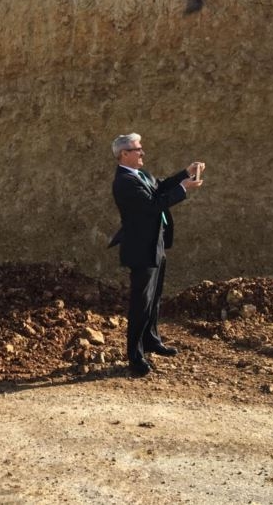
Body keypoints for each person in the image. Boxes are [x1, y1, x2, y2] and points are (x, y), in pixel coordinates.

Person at [109, 133, 204, 377]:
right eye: (137, 149)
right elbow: (152, 205)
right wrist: (184, 188)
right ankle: (135, 356)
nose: (142, 153)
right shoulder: (124, 182)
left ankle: (151, 340)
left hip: (156, 243)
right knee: (141, 303)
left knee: (154, 297)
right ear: (124, 154)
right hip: (141, 248)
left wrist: (185, 173)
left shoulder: (141, 175)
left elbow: (160, 186)